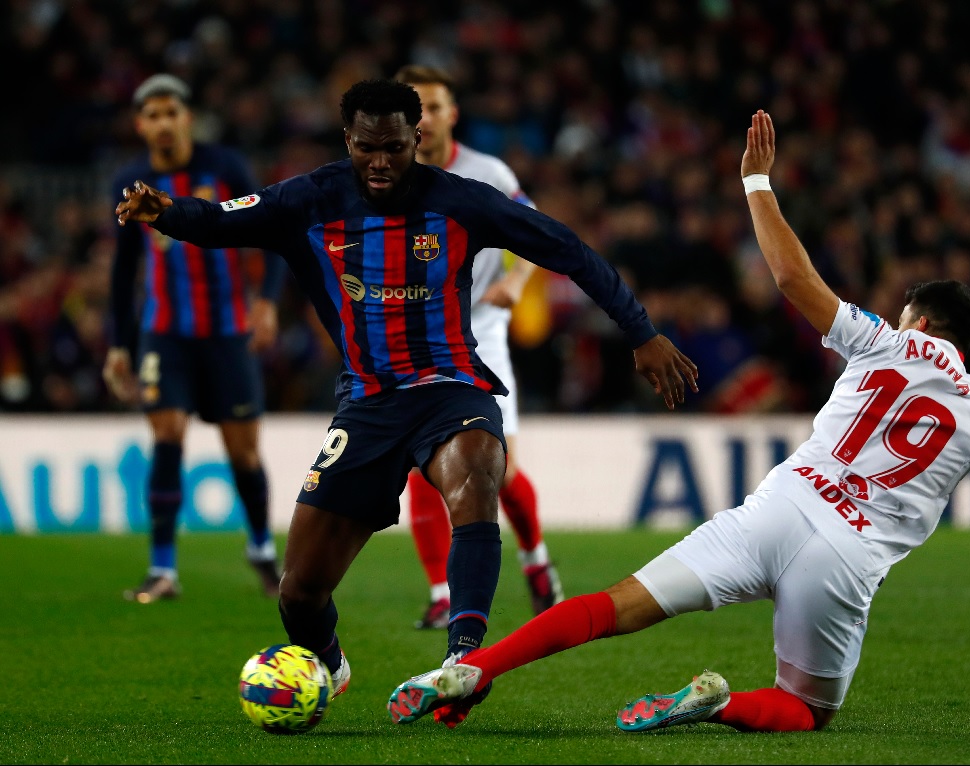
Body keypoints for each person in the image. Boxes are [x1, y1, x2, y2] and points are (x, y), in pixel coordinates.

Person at [386, 109, 970, 732]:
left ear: (921, 321)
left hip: (778, 509)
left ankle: (479, 667)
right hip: (846, 561)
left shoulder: (885, 340)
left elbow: (791, 280)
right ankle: (720, 704)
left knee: (613, 605)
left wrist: (757, 184)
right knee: (808, 708)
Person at [114, 78, 697, 700]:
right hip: (366, 402)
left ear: (416, 139)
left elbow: (568, 249)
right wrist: (166, 213)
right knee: (299, 593)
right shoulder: (311, 198)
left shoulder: (463, 200)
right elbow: (221, 220)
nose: (382, 161)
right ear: (349, 141)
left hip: (451, 386)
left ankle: (464, 661)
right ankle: (331, 669)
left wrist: (641, 332)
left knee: (477, 473)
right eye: (368, 148)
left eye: (395, 146)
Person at [105, 74, 286, 604]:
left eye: (171, 113)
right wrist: (120, 345)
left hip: (228, 332)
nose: (163, 124)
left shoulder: (224, 168)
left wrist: (268, 299)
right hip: (165, 333)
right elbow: (122, 269)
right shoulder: (130, 179)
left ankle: (261, 552)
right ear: (140, 125)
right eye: (152, 115)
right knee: (166, 435)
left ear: (187, 118)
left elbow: (271, 227)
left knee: (243, 453)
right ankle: (162, 568)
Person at [393, 64, 562, 629]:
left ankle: (536, 560)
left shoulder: (487, 172)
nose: (427, 117)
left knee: (500, 468)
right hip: (416, 334)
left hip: (481, 330)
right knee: (422, 464)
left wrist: (513, 284)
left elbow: (534, 230)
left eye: (435, 106)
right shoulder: (388, 174)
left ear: (451, 114)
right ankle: (442, 594)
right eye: (416, 107)